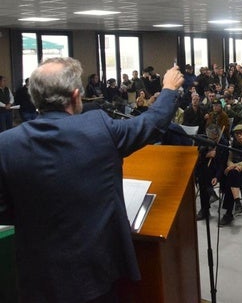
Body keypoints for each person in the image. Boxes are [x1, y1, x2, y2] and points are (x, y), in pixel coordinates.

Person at [0, 57, 184, 302]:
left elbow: (3, 210)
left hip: (38, 278)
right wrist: (169, 90)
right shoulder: (99, 129)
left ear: (35, 98)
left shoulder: (6, 144)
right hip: (95, 274)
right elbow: (150, 124)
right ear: (76, 96)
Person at [195, 124, 228, 221]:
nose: (212, 140)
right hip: (206, 167)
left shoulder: (223, 143)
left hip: (218, 169)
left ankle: (206, 205)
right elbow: (198, 155)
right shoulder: (204, 140)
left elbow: (222, 163)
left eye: (214, 138)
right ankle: (206, 208)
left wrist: (217, 177)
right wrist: (206, 154)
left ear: (218, 135)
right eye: (210, 137)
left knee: (205, 178)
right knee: (201, 176)